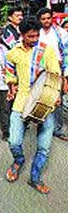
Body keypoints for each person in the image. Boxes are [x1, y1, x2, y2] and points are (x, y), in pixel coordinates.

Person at [5, 17, 60, 194]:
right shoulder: (13, 52)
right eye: (30, 36)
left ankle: (35, 178)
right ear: (22, 35)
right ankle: (19, 160)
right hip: (21, 101)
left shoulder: (47, 50)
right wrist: (11, 85)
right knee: (14, 141)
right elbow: (9, 71)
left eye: (37, 35)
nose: (34, 39)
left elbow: (54, 74)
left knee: (44, 146)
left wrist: (56, 94)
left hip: (45, 101)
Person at [37, 8, 68, 141]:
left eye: (48, 18)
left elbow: (66, 53)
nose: (46, 21)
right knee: (41, 97)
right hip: (41, 70)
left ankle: (57, 129)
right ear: (40, 20)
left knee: (57, 100)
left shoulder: (61, 33)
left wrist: (65, 75)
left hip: (57, 69)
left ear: (52, 18)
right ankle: (42, 124)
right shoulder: (36, 33)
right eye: (43, 19)